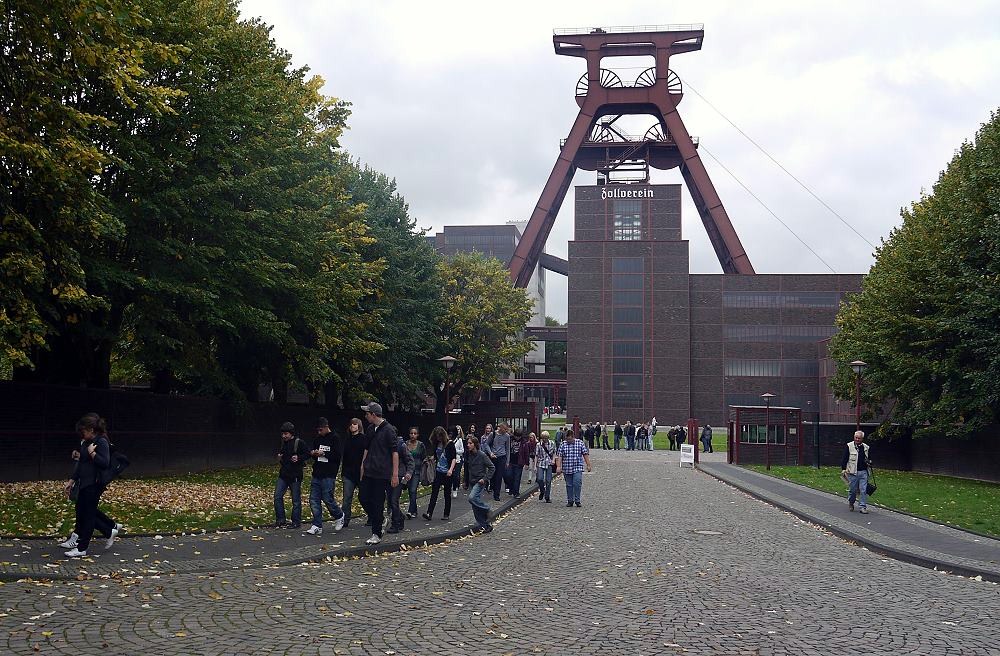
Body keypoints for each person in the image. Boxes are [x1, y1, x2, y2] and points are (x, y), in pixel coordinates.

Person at [61, 414, 116, 557]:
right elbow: (81, 465)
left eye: (83, 432)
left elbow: (104, 463)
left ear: (91, 430)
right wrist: (71, 481)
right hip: (84, 483)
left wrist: (93, 453)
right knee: (83, 513)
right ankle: (109, 531)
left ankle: (82, 547)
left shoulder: (101, 442)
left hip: (94, 483)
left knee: (89, 515)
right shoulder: (86, 442)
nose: (82, 435)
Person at [360, 402, 400, 545]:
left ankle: (376, 533)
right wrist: (363, 466)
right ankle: (380, 519)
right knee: (363, 497)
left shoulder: (389, 430)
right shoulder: (371, 429)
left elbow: (395, 452)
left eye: (367, 413)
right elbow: (366, 449)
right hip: (369, 470)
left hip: (381, 473)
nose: (365, 416)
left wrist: (395, 474)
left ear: (374, 414)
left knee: (377, 502)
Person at [304, 418, 346, 536]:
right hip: (317, 472)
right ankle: (317, 524)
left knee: (327, 498)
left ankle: (339, 515)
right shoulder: (318, 439)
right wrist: (313, 454)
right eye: (318, 430)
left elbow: (337, 456)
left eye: (321, 430)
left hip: (329, 473)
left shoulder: (334, 438)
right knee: (314, 499)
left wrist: (324, 454)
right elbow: (314, 455)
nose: (319, 432)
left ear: (326, 427)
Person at [274, 421, 309, 529]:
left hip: (295, 475)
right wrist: (279, 458)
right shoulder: (283, 443)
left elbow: (307, 454)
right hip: (284, 474)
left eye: (286, 434)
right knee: (277, 496)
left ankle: (296, 521)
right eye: (283, 434)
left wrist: (298, 458)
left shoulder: (299, 443)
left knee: (296, 500)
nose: (284, 436)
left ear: (291, 433)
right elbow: (282, 457)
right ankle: (281, 519)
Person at [423, 426, 456, 520]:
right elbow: (437, 455)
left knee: (446, 493)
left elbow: (453, 458)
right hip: (438, 471)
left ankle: (446, 514)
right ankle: (429, 513)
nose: (438, 439)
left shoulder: (450, 444)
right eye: (437, 437)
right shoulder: (437, 444)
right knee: (434, 492)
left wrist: (450, 469)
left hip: (447, 472)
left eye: (440, 437)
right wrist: (431, 458)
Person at [340, 417, 368, 529]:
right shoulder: (347, 439)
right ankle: (345, 519)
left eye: (355, 424)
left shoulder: (363, 439)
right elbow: (345, 457)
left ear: (359, 426)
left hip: (360, 472)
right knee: (346, 498)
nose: (353, 426)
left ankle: (372, 516)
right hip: (348, 472)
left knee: (364, 497)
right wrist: (343, 472)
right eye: (351, 424)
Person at [386, 431, 416, 534]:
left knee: (394, 500)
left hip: (399, 475)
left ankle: (395, 523)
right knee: (390, 500)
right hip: (387, 476)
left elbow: (410, 460)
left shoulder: (401, 445)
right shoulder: (385, 445)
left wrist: (408, 473)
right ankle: (400, 517)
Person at [465, 436, 496, 532]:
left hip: (480, 481)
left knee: (472, 498)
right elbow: (467, 469)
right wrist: (464, 481)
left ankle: (487, 509)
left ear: (475, 444)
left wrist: (485, 478)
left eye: (470, 443)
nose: (468, 445)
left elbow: (492, 467)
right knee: (475, 506)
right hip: (471, 480)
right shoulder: (468, 455)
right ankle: (485, 525)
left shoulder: (482, 455)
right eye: (468, 443)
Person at [555, 429, 592, 507]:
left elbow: (585, 454)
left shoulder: (580, 443)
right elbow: (560, 456)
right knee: (569, 485)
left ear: (573, 437)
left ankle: (577, 500)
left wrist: (588, 464)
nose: (568, 440)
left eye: (570, 439)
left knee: (577, 483)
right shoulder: (563, 444)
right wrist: (558, 466)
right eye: (567, 439)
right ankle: (570, 500)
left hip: (577, 467)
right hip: (567, 467)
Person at [841, 430, 872, 514]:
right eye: (856, 438)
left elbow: (870, 458)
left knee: (863, 490)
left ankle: (862, 507)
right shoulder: (849, 446)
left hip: (863, 472)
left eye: (859, 438)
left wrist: (869, 462)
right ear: (854, 437)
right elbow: (845, 458)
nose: (857, 439)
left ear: (862, 439)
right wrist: (843, 469)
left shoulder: (866, 447)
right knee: (853, 490)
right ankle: (851, 502)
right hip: (852, 472)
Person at [404, 427, 426, 518]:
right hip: (408, 471)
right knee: (410, 491)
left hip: (417, 471)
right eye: (411, 433)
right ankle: (415, 510)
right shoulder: (405, 444)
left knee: (413, 490)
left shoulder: (421, 445)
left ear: (417, 435)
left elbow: (423, 457)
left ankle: (410, 510)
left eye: (415, 433)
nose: (413, 435)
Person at [487, 423, 510, 501]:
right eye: (505, 429)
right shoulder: (492, 434)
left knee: (499, 476)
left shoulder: (507, 436)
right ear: (501, 428)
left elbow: (507, 449)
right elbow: (486, 444)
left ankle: (497, 494)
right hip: (494, 457)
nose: (505, 431)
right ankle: (492, 486)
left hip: (502, 457)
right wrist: (490, 453)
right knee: (493, 475)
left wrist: (507, 461)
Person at [535, 431, 555, 503]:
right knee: (540, 479)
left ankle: (547, 496)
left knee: (548, 480)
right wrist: (535, 466)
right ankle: (542, 490)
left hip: (549, 463)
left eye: (545, 438)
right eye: (543, 438)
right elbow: (536, 455)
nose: (544, 440)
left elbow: (554, 453)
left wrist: (553, 460)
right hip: (541, 462)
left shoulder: (552, 443)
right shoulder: (538, 445)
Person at [507, 428, 525, 496]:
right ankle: (511, 488)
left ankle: (516, 492)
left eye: (519, 436)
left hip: (519, 462)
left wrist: (526, 463)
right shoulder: (510, 439)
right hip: (510, 461)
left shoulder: (523, 442)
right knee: (509, 476)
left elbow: (526, 452)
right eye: (516, 436)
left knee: (517, 478)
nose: (517, 438)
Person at [452, 425, 465, 497]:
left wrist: (455, 451)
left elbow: (462, 451)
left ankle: (455, 488)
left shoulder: (460, 440)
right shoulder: (451, 439)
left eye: (459, 430)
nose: (458, 431)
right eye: (457, 429)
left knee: (456, 475)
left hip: (458, 459)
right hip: (451, 459)